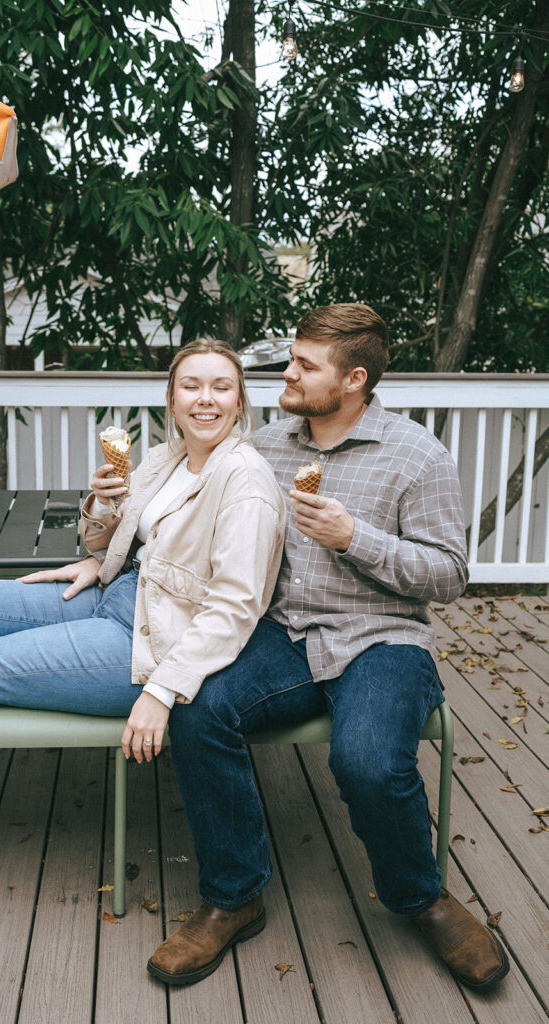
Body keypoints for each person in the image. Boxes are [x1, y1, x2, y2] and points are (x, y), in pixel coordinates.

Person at [147, 304, 509, 992]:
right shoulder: (268, 448)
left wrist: (354, 537)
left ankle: (420, 899)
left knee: (366, 761)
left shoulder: (416, 456)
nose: (286, 373)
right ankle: (234, 895)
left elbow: (449, 576)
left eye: (303, 365)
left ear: (353, 380)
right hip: (284, 636)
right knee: (197, 705)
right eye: (291, 358)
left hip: (381, 641)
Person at [0, 339, 285, 766]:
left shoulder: (245, 482)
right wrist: (104, 510)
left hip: (152, 643)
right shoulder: (168, 457)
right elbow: (119, 542)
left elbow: (235, 606)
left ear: (239, 402)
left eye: (221, 387)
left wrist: (162, 689)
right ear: (171, 400)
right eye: (191, 386)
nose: (205, 399)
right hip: (119, 594)